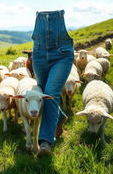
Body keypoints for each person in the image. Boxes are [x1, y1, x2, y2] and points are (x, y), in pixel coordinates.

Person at [31, 10, 74, 157]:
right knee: (43, 92)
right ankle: (60, 116)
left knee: (50, 93)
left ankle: (45, 142)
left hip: (62, 55)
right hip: (39, 55)